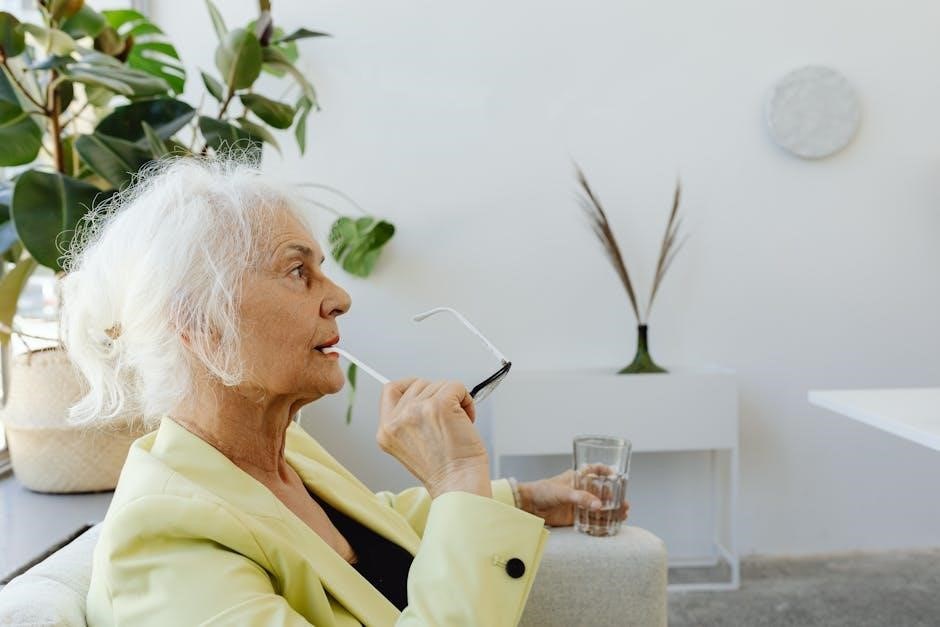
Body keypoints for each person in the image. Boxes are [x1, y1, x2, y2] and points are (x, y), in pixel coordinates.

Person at [60, 155, 629, 626]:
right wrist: (457, 479)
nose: (339, 298)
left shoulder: (282, 454)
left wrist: (521, 499)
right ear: (204, 325)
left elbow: (365, 527)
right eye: (298, 272)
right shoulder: (168, 544)